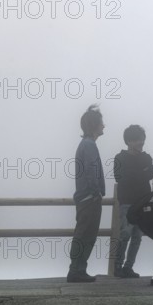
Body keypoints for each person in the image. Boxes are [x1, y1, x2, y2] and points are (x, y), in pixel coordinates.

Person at [67, 105, 105, 283]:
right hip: (89, 197)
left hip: (86, 197)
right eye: (101, 123)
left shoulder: (86, 144)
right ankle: (76, 270)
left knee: (84, 233)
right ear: (94, 125)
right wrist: (96, 192)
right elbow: (91, 170)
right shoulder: (89, 145)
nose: (104, 126)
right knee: (85, 234)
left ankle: (78, 269)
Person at [113, 125, 153, 278]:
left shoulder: (147, 157)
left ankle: (128, 267)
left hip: (144, 202)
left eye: (142, 140)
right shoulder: (120, 157)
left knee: (137, 236)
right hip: (127, 202)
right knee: (126, 233)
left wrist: (134, 174)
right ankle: (117, 266)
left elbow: (150, 174)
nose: (141, 143)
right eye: (138, 140)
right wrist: (141, 173)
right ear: (129, 141)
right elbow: (120, 178)